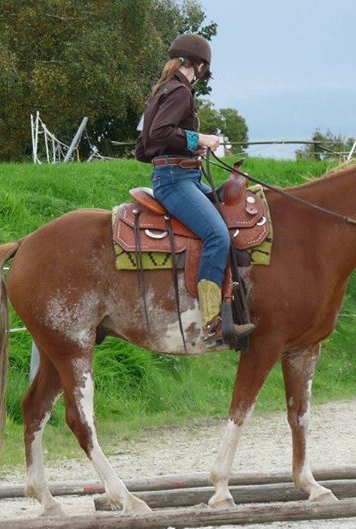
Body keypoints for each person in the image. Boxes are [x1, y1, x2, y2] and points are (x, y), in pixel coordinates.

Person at [135, 33, 255, 345]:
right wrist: (200, 140)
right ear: (199, 66)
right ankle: (211, 323)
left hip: (179, 174)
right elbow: (161, 133)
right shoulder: (181, 93)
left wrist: (189, 151)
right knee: (216, 234)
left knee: (225, 214)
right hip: (176, 181)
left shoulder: (161, 91)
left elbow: (144, 148)